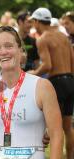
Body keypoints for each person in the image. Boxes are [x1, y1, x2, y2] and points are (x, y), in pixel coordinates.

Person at [0, 25, 63, 159]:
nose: (3, 52)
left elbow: (56, 134)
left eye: (9, 46)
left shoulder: (42, 86)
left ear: (20, 50)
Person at [28, 7, 74, 158]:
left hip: (58, 82)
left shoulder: (43, 39)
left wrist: (33, 73)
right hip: (70, 80)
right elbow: (72, 61)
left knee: (55, 129)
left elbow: (47, 65)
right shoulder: (63, 35)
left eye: (33, 22)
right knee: (68, 128)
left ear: (36, 21)